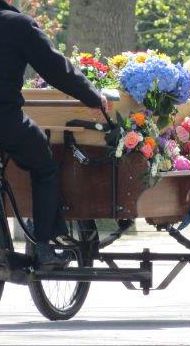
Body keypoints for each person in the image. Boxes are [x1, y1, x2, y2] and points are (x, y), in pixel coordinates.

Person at [0, 0, 108, 267]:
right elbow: (55, 68)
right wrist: (92, 97)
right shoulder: (17, 25)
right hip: (5, 120)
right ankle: (43, 248)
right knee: (44, 164)